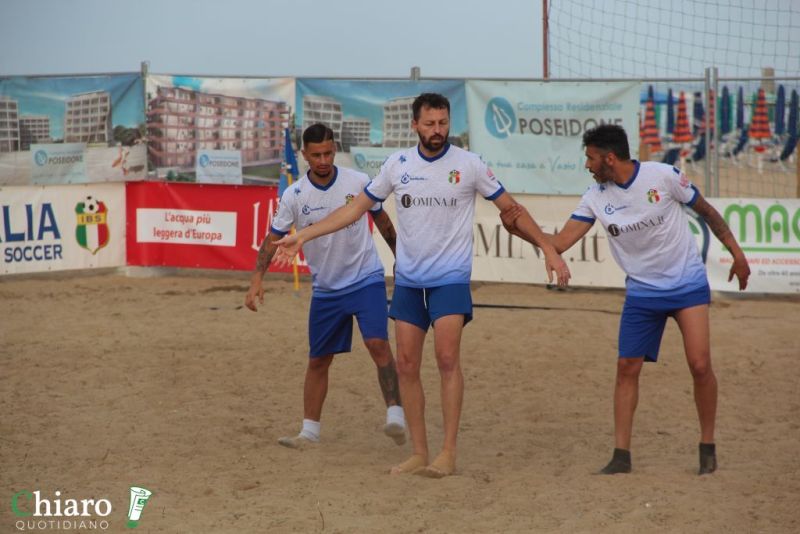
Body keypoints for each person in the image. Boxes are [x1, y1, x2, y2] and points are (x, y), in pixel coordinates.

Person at [274, 93, 571, 477]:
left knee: (447, 360)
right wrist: (304, 235)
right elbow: (353, 210)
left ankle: (447, 453)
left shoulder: (470, 164)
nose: (437, 131)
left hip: (450, 279)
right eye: (429, 124)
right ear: (415, 125)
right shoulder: (397, 165)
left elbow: (512, 210)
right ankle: (418, 452)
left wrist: (548, 248)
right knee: (408, 365)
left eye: (443, 123)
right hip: (410, 282)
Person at [501, 124, 750, 475]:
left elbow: (707, 211)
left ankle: (707, 445)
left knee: (699, 364)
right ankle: (621, 456)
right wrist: (521, 231)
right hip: (642, 293)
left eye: (590, 158)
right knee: (625, 368)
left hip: (686, 285)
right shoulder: (595, 197)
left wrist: (737, 254)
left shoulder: (663, 177)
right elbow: (558, 244)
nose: (587, 165)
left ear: (610, 158)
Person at [245, 123, 406, 450]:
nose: (323, 159)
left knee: (377, 343)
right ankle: (310, 431)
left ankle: (396, 414)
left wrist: (402, 261)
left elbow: (384, 223)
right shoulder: (294, 195)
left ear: (335, 150)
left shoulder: (358, 182)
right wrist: (256, 280)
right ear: (304, 155)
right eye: (316, 154)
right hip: (327, 288)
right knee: (319, 360)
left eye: (329, 153)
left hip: (365, 277)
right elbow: (273, 239)